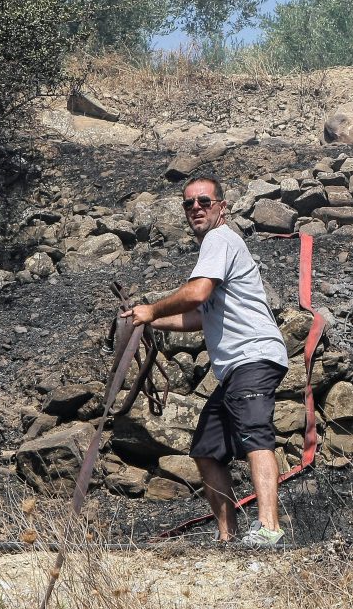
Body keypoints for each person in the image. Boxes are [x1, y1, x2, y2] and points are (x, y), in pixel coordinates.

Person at [123, 176, 289, 547]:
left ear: (221, 207)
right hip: (236, 368)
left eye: (204, 201)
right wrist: (146, 320)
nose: (196, 208)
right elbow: (200, 316)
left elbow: (197, 294)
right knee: (206, 449)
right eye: (189, 203)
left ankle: (269, 529)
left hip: (252, 356)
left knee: (255, 435)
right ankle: (228, 537)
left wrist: (152, 309)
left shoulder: (219, 239)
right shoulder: (215, 249)